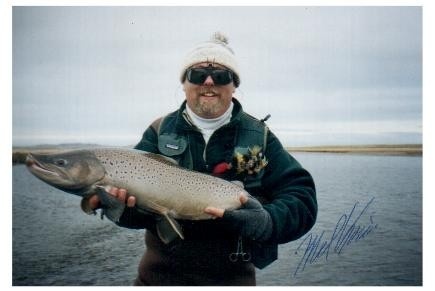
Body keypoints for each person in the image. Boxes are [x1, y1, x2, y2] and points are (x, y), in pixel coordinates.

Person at [86, 32, 317, 286]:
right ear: (184, 83)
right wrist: (119, 209)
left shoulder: (260, 138)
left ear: (234, 84)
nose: (209, 81)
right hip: (158, 279)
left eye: (221, 75)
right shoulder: (158, 132)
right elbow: (138, 216)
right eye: (197, 74)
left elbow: (302, 198)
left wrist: (267, 222)